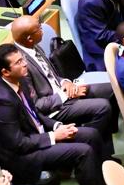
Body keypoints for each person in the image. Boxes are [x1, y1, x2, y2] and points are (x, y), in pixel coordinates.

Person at [0, 43, 121, 185]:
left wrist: (56, 125)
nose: (24, 64)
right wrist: (55, 136)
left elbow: (35, 115)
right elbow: (18, 144)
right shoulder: (0, 102)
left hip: (37, 138)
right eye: (18, 62)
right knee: (83, 152)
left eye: (23, 59)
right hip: (22, 157)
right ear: (5, 72)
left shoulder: (20, 80)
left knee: (91, 135)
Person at [9, 14, 115, 144]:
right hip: (55, 109)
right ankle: (88, 142)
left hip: (64, 93)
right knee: (103, 107)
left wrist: (66, 82)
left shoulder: (33, 46)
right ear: (29, 38)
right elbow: (36, 105)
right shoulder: (21, 66)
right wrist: (65, 95)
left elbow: (51, 75)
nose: (42, 30)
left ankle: (100, 142)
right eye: (39, 28)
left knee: (112, 89)